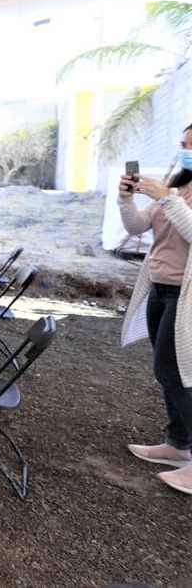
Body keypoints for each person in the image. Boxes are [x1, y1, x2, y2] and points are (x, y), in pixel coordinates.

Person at [119, 123, 192, 495]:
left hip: (185, 296)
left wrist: (168, 198)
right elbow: (137, 226)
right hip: (161, 289)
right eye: (183, 144)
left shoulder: (173, 194)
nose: (185, 151)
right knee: (166, 372)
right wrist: (126, 200)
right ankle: (177, 443)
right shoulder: (177, 185)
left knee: (179, 373)